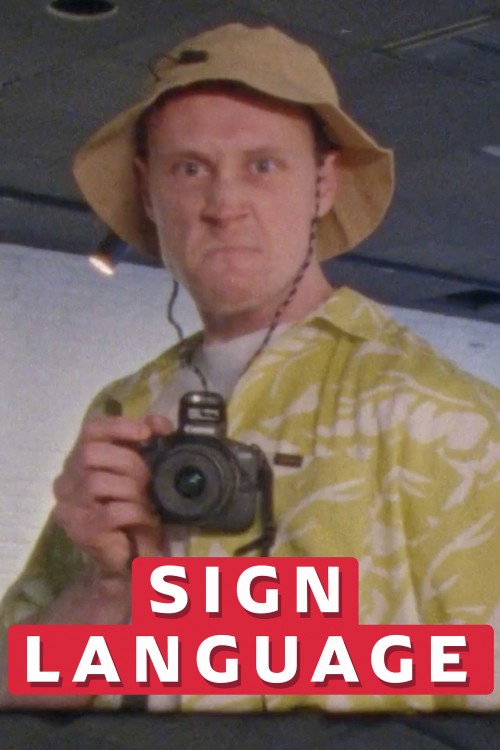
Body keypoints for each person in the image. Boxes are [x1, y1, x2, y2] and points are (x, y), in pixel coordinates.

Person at [0, 22, 499, 714]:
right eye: (189, 168)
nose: (224, 205)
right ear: (147, 191)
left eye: (263, 165)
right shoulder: (123, 411)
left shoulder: (439, 414)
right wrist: (106, 590)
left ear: (323, 184)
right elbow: (19, 691)